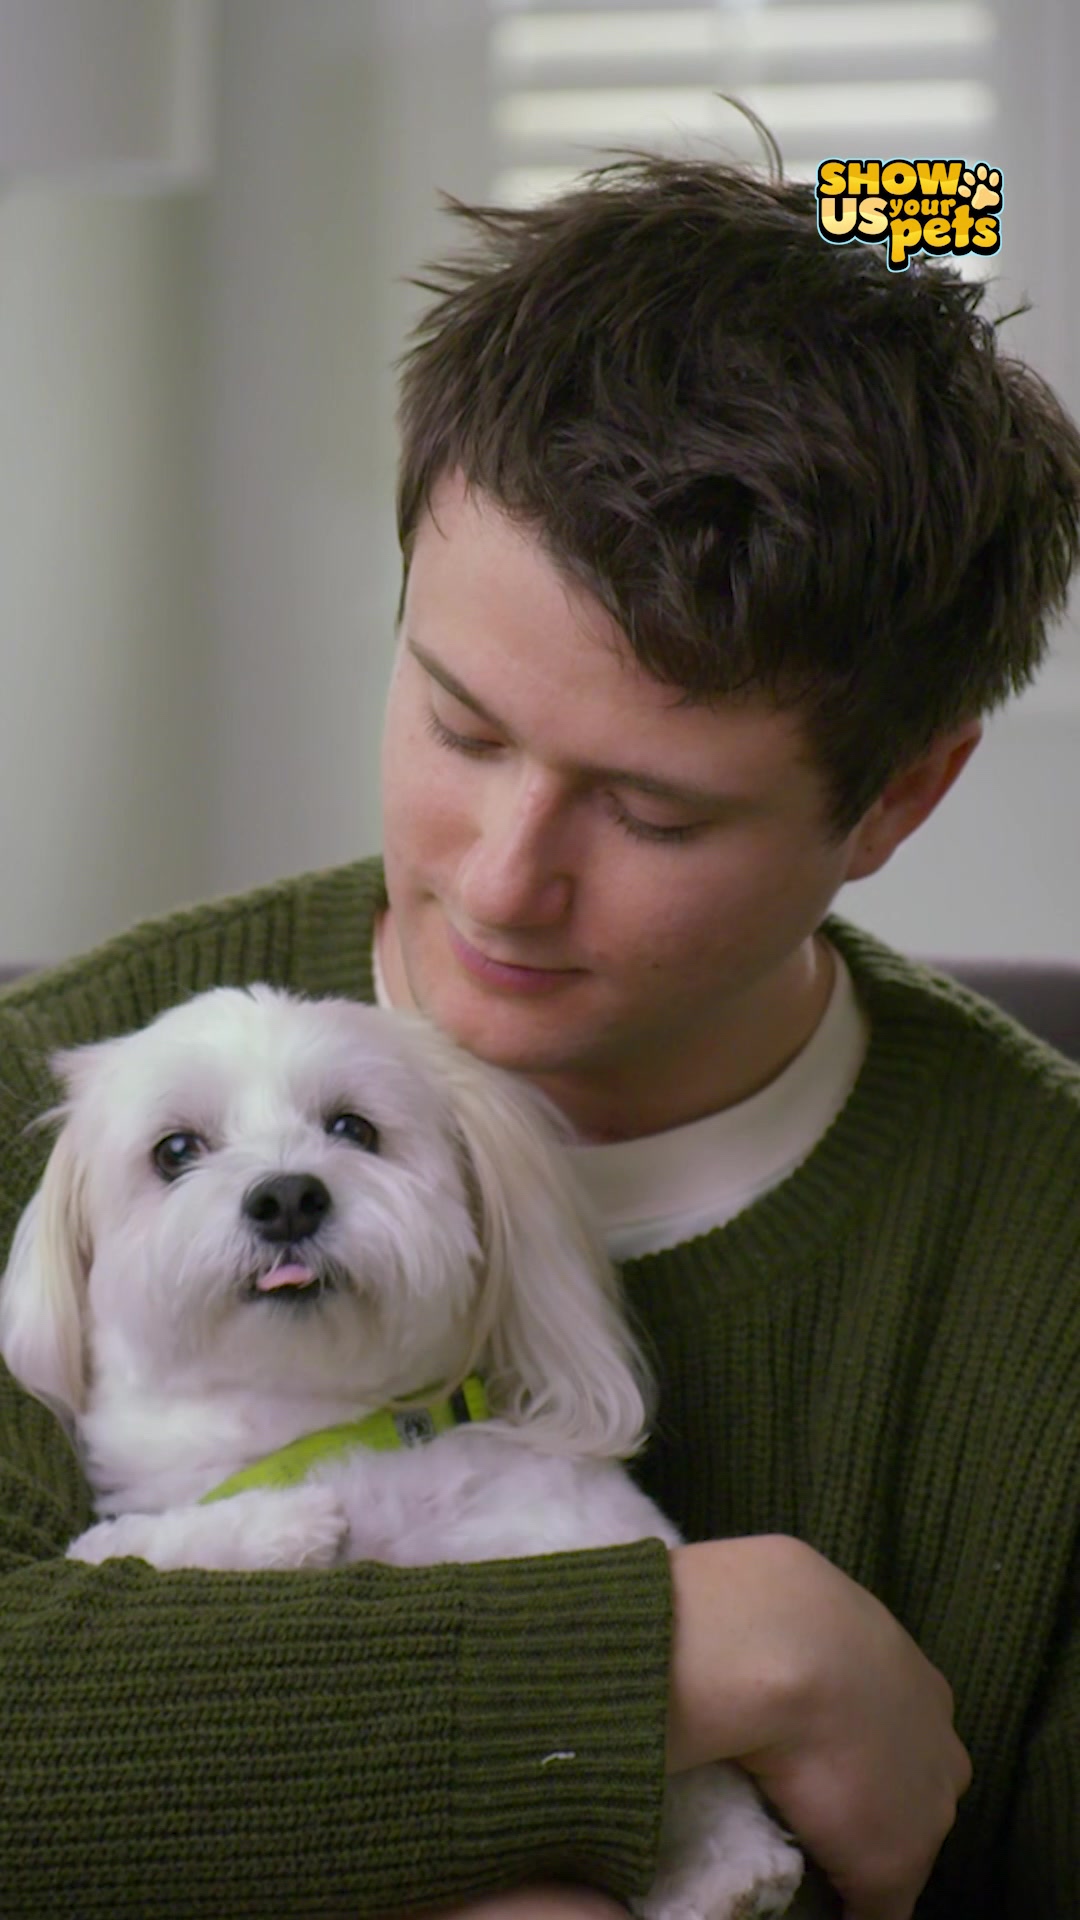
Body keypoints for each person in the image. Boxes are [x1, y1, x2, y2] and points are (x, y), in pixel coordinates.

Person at [1, 152, 1079, 1920]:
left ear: (898, 799)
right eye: (461, 726)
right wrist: (702, 1653)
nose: (501, 884)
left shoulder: (1043, 1258)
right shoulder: (37, 1096)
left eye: (654, 815)